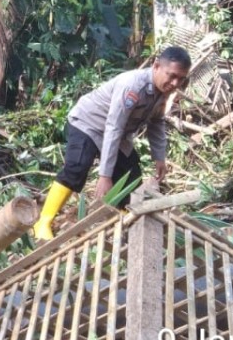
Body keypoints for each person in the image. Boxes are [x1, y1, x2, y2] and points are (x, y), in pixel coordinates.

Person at [32, 46, 192, 240]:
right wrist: (105, 175)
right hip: (89, 123)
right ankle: (43, 222)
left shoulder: (163, 91)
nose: (175, 83)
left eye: (181, 79)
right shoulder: (133, 86)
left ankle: (124, 225)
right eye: (172, 76)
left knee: (130, 180)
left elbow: (156, 122)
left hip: (119, 133)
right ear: (156, 66)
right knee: (77, 168)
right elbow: (113, 127)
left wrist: (159, 157)